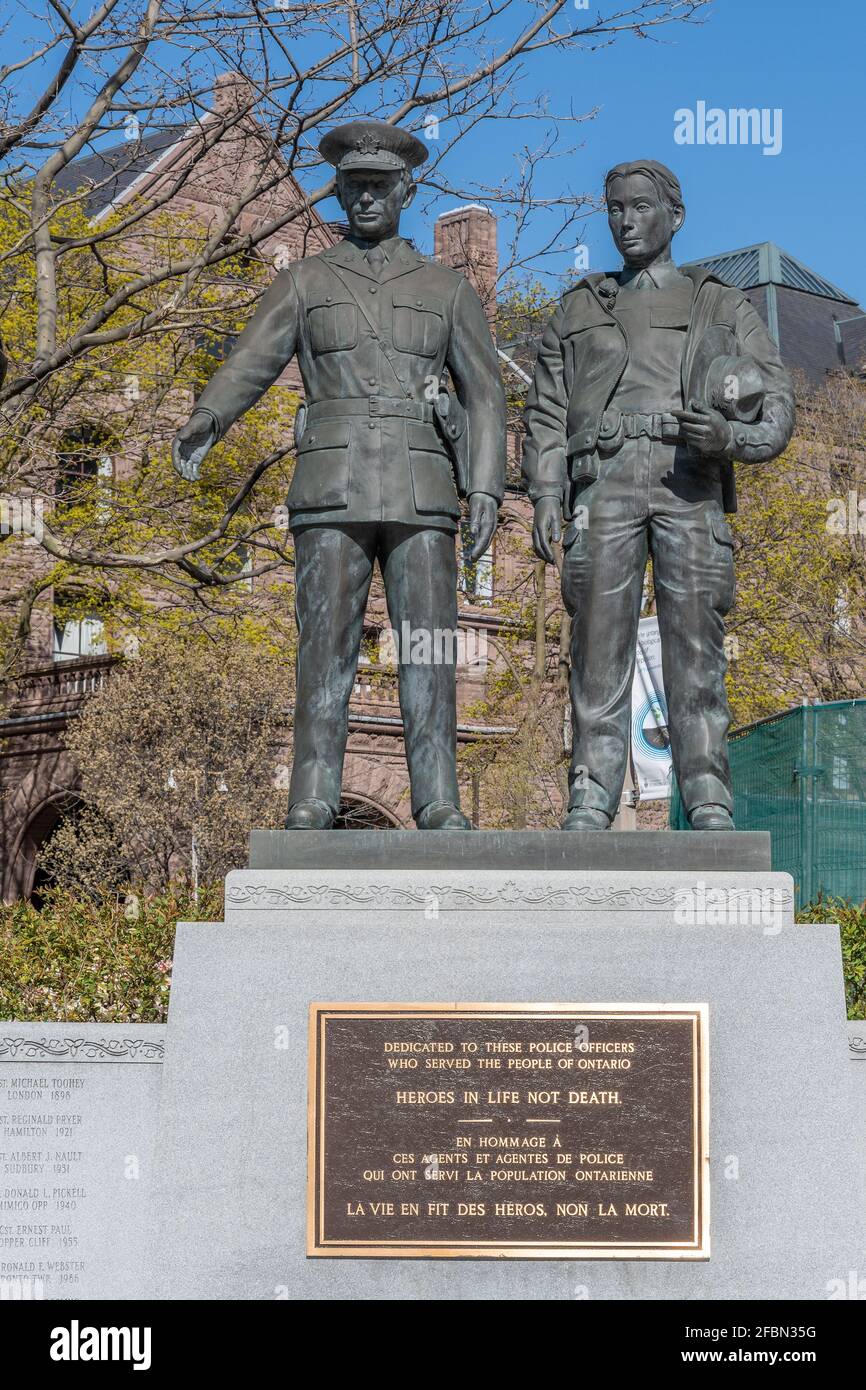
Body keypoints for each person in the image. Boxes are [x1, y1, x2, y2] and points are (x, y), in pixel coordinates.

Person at [173, 119, 506, 829]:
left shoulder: (447, 291)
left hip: (423, 489)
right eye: (353, 186)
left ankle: (438, 799)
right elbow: (251, 359)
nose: (365, 198)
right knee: (323, 646)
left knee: (428, 650)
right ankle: (313, 794)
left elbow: (484, 393)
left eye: (379, 186)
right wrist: (208, 416)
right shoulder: (304, 281)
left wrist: (484, 485)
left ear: (406, 190)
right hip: (331, 485)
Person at [523, 160, 794, 831]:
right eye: (615, 208)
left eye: (641, 207)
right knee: (596, 648)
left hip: (689, 480)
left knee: (695, 647)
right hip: (605, 482)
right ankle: (590, 793)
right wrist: (547, 490)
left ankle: (706, 796)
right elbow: (546, 412)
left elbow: (778, 405)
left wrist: (728, 435)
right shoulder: (580, 306)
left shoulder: (719, 304)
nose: (625, 220)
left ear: (674, 215)